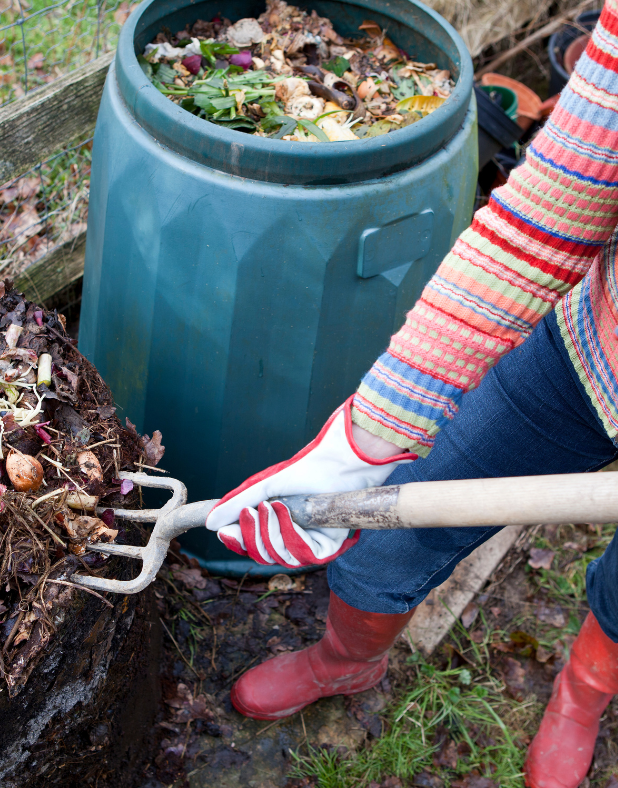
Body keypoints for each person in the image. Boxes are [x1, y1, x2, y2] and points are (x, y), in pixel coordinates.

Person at [204, 3, 618, 787]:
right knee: (392, 529)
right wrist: (365, 440)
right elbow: (542, 225)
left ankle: (582, 694)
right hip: (596, 352)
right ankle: (343, 662)